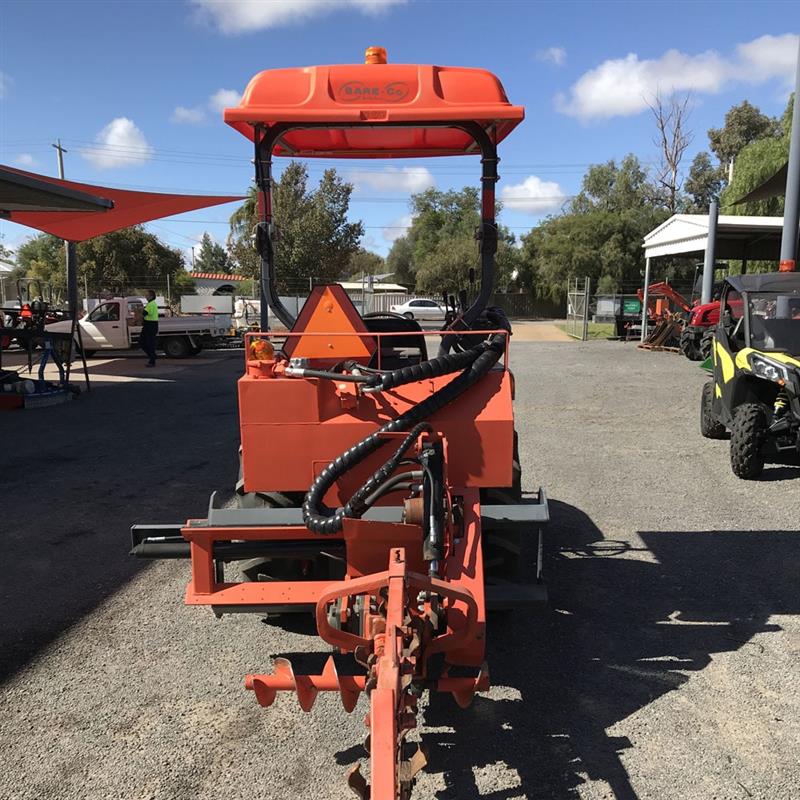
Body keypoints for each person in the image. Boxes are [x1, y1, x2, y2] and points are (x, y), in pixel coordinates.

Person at [140, 289, 159, 367]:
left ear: (151, 296)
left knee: (148, 343)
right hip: (149, 325)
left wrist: (139, 311)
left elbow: (144, 313)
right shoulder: (151, 304)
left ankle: (152, 360)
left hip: (150, 326)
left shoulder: (151, 304)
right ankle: (153, 356)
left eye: (147, 295)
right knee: (143, 342)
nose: (145, 296)